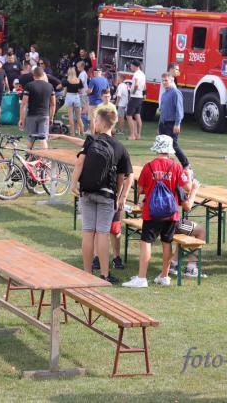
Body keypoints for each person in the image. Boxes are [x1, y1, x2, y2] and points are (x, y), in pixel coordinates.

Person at [69, 108, 133, 284]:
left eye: (96, 120)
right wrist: (117, 197)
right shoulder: (120, 147)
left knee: (88, 231)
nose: (94, 123)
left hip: (87, 191)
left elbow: (80, 163)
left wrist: (73, 184)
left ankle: (87, 272)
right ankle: (104, 274)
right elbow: (122, 177)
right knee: (103, 233)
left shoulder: (90, 140)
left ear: (103, 123)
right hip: (107, 194)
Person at [122, 135, 192, 288]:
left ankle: (142, 278)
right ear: (169, 150)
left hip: (151, 212)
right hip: (171, 213)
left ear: (157, 149)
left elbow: (140, 189)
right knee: (167, 243)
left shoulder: (148, 166)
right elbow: (187, 187)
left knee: (146, 242)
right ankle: (164, 276)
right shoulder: (176, 167)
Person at [19, 66, 56, 149]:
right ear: (43, 75)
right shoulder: (50, 86)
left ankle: (28, 156)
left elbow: (24, 104)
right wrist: (51, 118)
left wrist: (21, 119)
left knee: (30, 139)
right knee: (43, 139)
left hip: (31, 115)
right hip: (44, 115)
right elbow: (53, 104)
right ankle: (45, 157)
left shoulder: (29, 85)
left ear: (33, 75)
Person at [158, 72, 189, 168]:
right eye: (163, 81)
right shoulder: (164, 94)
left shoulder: (175, 92)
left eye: (166, 80)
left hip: (172, 123)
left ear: (171, 81)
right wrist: (160, 125)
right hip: (163, 124)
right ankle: (165, 165)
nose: (164, 82)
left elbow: (179, 110)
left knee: (173, 145)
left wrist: (177, 123)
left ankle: (186, 165)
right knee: (163, 146)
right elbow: (162, 110)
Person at [126, 60, 146, 140]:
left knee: (128, 115)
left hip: (135, 97)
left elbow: (136, 84)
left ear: (135, 66)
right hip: (140, 96)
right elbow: (144, 86)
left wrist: (133, 91)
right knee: (137, 115)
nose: (130, 67)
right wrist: (144, 93)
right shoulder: (142, 74)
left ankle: (132, 135)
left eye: (131, 66)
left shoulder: (136, 74)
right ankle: (138, 135)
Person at [63, 66, 85, 136]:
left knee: (70, 116)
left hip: (69, 96)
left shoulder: (67, 81)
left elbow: (63, 89)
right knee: (78, 117)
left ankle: (72, 133)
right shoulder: (79, 80)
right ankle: (82, 132)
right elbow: (81, 91)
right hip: (76, 96)